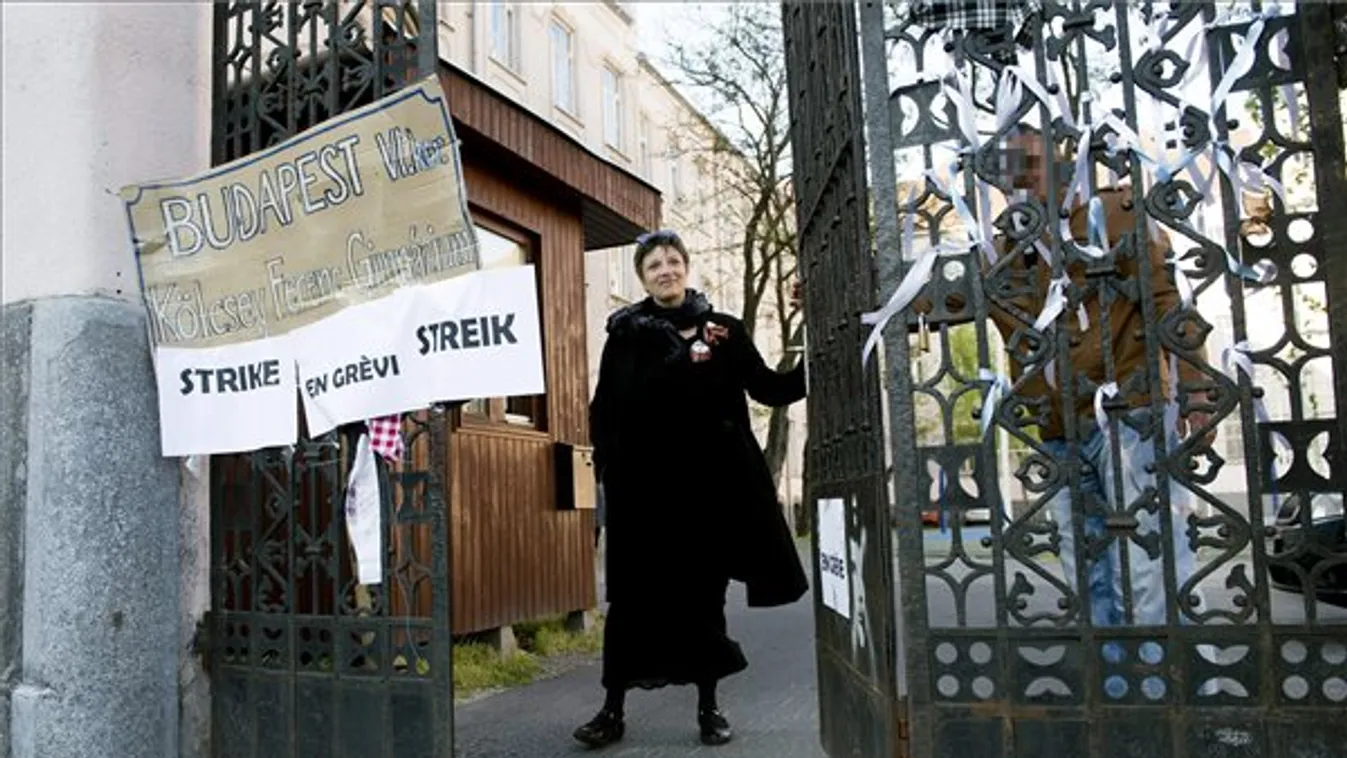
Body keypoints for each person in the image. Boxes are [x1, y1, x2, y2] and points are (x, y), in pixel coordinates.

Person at [576, 229, 809, 748]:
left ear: (686, 267)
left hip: (709, 498)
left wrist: (819, 355)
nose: (665, 270)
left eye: (672, 261)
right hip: (644, 500)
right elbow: (603, 411)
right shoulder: (627, 334)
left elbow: (770, 388)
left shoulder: (723, 331)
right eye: (654, 264)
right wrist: (612, 470)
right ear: (643, 276)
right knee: (632, 605)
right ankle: (611, 711)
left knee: (706, 602)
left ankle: (709, 708)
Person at [987, 125, 1210, 627]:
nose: (1021, 180)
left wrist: (1197, 389)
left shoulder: (1114, 211)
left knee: (1150, 568)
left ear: (1065, 160)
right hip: (1060, 430)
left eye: (1031, 163)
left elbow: (1167, 302)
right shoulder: (1005, 247)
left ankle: (1169, 693)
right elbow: (942, 294)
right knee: (1087, 575)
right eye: (1008, 172)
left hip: (1129, 417)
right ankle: (1114, 695)